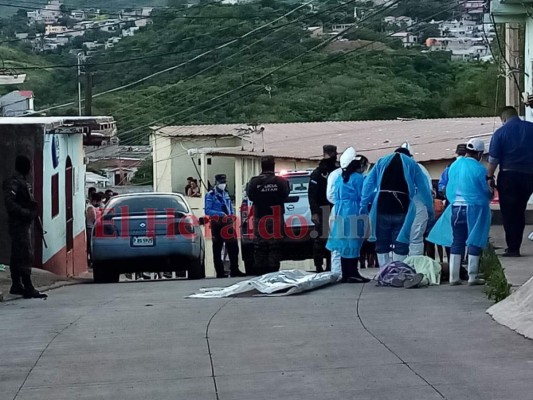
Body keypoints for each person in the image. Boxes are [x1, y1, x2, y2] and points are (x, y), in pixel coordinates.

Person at [428, 139, 492, 285]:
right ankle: (472, 276)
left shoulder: (453, 166)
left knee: (457, 241)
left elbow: (447, 188)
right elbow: (486, 190)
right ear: (480, 153)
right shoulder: (480, 169)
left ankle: (454, 277)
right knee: (474, 240)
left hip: (456, 207)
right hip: (475, 208)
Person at [360, 146, 434, 269]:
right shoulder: (412, 164)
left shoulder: (381, 161)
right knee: (401, 241)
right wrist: (430, 210)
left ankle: (383, 272)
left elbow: (368, 184)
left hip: (381, 207)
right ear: (409, 155)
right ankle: (399, 271)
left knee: (382, 242)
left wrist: (363, 205)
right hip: (402, 207)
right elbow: (424, 188)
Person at [488, 106, 533, 257]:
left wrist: (489, 177)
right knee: (520, 210)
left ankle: (513, 248)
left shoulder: (500, 133)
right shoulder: (531, 128)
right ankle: (515, 245)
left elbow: (493, 159)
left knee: (509, 212)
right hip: (529, 175)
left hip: (509, 176)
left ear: (504, 118)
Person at [2, 155, 47, 299]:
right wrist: (25, 213)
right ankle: (27, 286)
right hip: (18, 224)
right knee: (25, 254)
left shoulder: (24, 182)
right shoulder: (13, 182)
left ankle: (17, 285)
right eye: (29, 165)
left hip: (25, 223)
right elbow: (9, 202)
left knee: (17, 255)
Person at [326, 147, 370, 283]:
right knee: (354, 241)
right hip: (353, 211)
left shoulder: (340, 178)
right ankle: (353, 273)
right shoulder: (358, 178)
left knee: (344, 243)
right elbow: (363, 195)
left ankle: (346, 273)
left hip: (340, 212)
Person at [247, 156, 290, 275]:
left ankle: (260, 271)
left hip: (259, 217)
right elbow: (285, 195)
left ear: (262, 165)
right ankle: (273, 271)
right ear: (273, 165)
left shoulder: (253, 181)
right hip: (275, 217)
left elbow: (250, 196)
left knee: (259, 245)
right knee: (274, 246)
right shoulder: (281, 181)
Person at [205, 174, 246, 278]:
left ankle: (234, 270)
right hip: (217, 222)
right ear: (216, 183)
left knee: (233, 247)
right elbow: (208, 210)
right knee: (217, 248)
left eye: (224, 182)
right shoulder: (210, 195)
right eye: (221, 182)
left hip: (228, 222)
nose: (223, 184)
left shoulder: (225, 194)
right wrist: (221, 214)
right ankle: (220, 272)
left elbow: (229, 207)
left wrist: (231, 215)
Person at [308, 145, 338, 272]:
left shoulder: (337, 170)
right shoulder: (319, 172)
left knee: (332, 238)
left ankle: (331, 265)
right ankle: (319, 266)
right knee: (321, 239)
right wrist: (314, 212)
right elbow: (312, 194)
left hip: (334, 208)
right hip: (323, 209)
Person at [402, 143, 433, 256]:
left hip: (403, 208)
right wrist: (430, 211)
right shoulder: (420, 168)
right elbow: (428, 191)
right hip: (418, 208)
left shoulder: (391, 168)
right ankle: (413, 268)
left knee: (402, 240)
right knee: (416, 239)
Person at [326, 160, 343, 279]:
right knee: (338, 244)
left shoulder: (334, 174)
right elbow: (330, 195)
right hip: (341, 210)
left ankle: (340, 272)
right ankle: (337, 272)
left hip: (339, 210)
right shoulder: (336, 174)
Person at [86, 192, 103, 267]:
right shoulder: (90, 208)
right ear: (95, 201)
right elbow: (93, 219)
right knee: (91, 245)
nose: (99, 203)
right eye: (99, 202)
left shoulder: (91, 207)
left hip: (90, 228)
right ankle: (92, 261)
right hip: (90, 228)